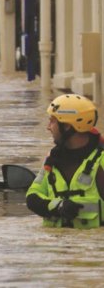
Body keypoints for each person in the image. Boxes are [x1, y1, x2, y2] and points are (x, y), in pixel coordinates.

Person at [26, 93, 104, 228]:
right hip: (57, 246)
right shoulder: (52, 159)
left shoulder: (101, 160)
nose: (48, 127)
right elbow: (32, 197)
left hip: (91, 247)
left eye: (52, 121)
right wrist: (58, 206)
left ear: (67, 126)